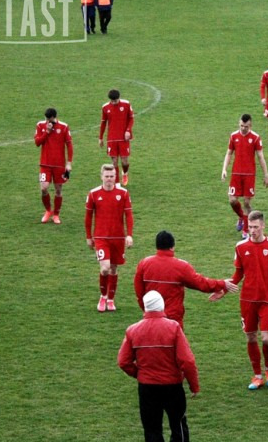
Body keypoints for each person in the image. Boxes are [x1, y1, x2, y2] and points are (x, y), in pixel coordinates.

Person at [117, 290, 198, 442]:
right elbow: (187, 361)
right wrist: (193, 384)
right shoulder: (173, 327)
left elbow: (123, 361)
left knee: (152, 430)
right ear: (161, 305)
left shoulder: (133, 330)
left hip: (147, 388)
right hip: (172, 386)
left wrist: (140, 374)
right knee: (178, 426)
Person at [134, 230, 239, 330]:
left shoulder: (144, 264)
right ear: (172, 247)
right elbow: (200, 283)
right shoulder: (181, 266)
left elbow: (139, 292)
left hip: (150, 317)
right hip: (173, 319)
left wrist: (146, 309)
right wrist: (221, 284)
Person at [230, 211, 268, 391]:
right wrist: (223, 289)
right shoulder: (240, 247)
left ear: (263, 226)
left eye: (255, 227)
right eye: (250, 227)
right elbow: (238, 274)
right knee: (251, 336)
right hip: (247, 299)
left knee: (267, 339)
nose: (252, 231)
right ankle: (257, 375)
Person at [85, 163, 133, 312]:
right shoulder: (93, 194)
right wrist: (88, 236)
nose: (109, 179)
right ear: (101, 177)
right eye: (107, 176)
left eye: (112, 176)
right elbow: (88, 217)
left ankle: (111, 299)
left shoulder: (123, 193)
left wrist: (129, 235)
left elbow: (128, 215)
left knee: (113, 268)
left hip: (118, 237)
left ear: (115, 177)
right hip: (101, 237)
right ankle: (103, 296)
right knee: (105, 268)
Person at [221, 114, 268, 238]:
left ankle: (245, 231)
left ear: (251, 125)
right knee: (232, 200)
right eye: (242, 126)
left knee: (246, 203)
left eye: (246, 126)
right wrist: (224, 169)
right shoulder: (234, 136)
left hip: (249, 174)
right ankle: (241, 217)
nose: (243, 128)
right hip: (236, 173)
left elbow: (260, 157)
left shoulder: (255, 138)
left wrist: (266, 175)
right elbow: (229, 153)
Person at [34, 107, 73, 225]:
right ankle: (48, 211)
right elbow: (37, 143)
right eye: (46, 119)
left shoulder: (64, 127)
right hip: (45, 164)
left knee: (58, 190)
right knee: (44, 188)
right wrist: (47, 131)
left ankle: (56, 214)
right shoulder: (40, 125)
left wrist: (69, 163)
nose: (47, 121)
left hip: (59, 165)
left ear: (54, 117)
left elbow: (69, 145)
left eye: (49, 119)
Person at [99, 89, 135, 185]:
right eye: (112, 101)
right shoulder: (105, 107)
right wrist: (100, 138)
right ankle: (117, 184)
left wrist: (128, 131)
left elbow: (131, 118)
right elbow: (103, 123)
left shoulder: (126, 104)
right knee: (114, 162)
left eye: (115, 101)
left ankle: (125, 173)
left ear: (119, 98)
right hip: (111, 138)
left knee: (124, 162)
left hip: (123, 138)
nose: (114, 103)